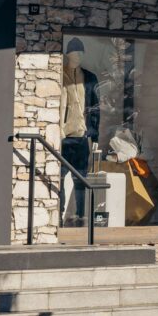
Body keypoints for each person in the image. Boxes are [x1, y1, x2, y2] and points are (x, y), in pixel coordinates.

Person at [60, 39, 101, 224]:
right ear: (68, 54)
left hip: (82, 136)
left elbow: (95, 108)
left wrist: (95, 136)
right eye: (76, 52)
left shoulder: (90, 78)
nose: (79, 55)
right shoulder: (60, 74)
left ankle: (80, 215)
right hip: (64, 137)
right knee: (59, 177)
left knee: (81, 179)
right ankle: (58, 214)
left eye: (81, 52)